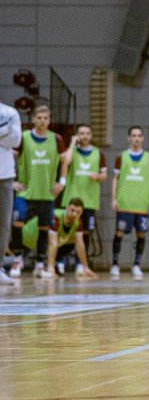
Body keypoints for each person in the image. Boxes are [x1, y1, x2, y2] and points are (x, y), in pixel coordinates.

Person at [12, 103, 64, 279]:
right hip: (26, 193)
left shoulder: (57, 139)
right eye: (39, 118)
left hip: (46, 193)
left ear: (50, 120)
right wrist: (12, 181)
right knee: (16, 223)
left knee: (44, 229)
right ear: (33, 119)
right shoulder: (24, 137)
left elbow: (65, 160)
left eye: (46, 118)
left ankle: (40, 265)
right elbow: (8, 155)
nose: (42, 121)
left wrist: (61, 182)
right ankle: (17, 260)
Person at [110, 125, 149, 278]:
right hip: (125, 203)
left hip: (142, 204)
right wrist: (114, 198)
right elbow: (115, 179)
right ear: (128, 138)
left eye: (139, 136)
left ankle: (136, 265)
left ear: (142, 138)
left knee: (141, 235)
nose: (136, 138)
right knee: (119, 233)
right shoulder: (121, 157)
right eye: (133, 136)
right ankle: (115, 264)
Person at [59, 123, 106, 267]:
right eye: (81, 133)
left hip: (89, 200)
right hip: (72, 199)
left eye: (87, 133)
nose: (84, 136)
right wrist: (72, 143)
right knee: (67, 231)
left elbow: (104, 174)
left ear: (91, 136)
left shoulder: (99, 153)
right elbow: (65, 161)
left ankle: (81, 262)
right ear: (77, 135)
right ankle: (59, 260)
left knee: (85, 233)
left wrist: (98, 176)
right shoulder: (72, 151)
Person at [46, 198, 94, 278]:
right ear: (67, 208)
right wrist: (50, 268)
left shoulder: (78, 222)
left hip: (52, 242)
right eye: (72, 210)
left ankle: (53, 263)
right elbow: (52, 243)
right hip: (33, 238)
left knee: (72, 242)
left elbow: (80, 244)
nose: (75, 214)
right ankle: (47, 265)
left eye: (78, 212)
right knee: (51, 243)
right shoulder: (56, 216)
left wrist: (85, 267)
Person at [1, 99, 21, 280]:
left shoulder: (10, 113)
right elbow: (8, 137)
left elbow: (16, 140)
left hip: (5, 175)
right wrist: (3, 132)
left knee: (4, 223)